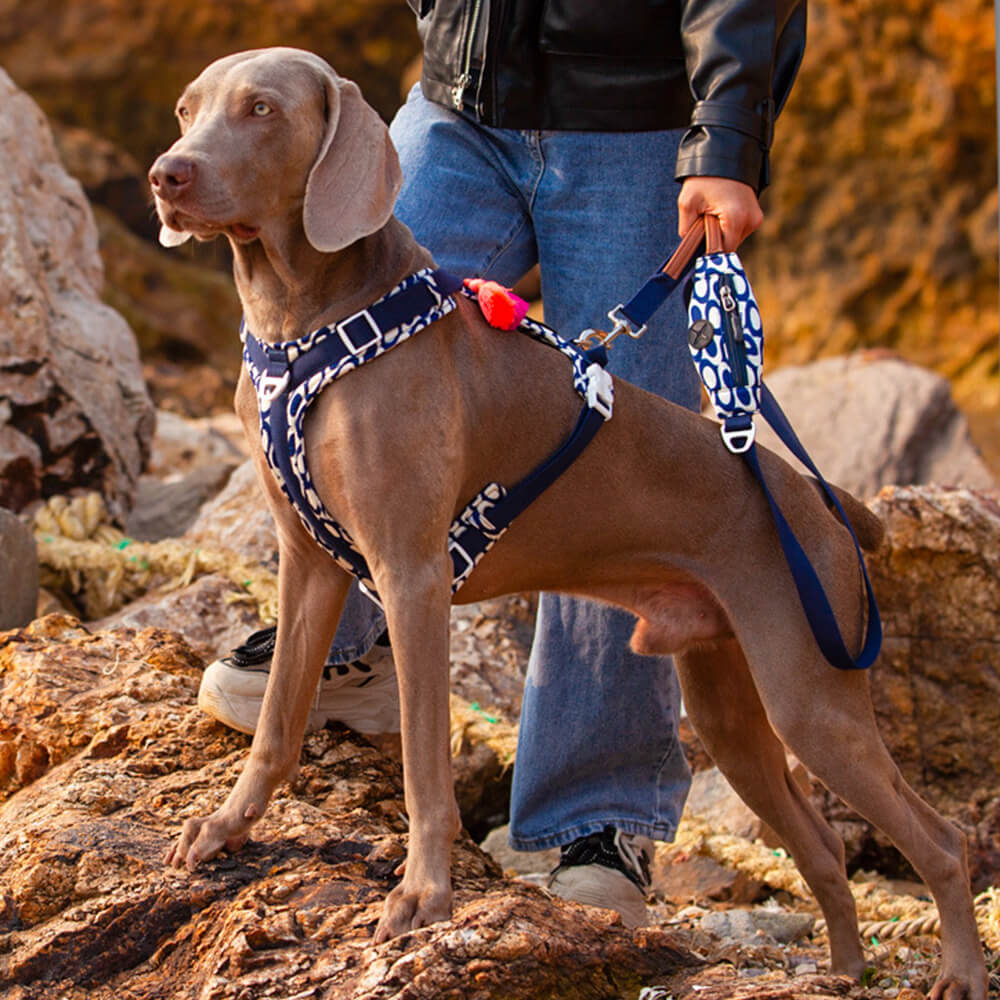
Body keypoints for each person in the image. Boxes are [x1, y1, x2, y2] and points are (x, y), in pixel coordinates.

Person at [198, 0, 806, 928]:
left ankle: (595, 819)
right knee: (331, 352)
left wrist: (726, 134)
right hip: (461, 107)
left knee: (612, 477)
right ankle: (350, 656)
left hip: (636, 123)